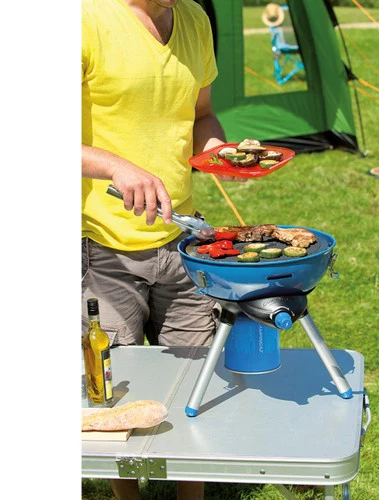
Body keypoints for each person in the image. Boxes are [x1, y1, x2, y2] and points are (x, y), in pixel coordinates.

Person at [81, 1, 245, 498]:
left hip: (182, 241)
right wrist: (115, 165)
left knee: (197, 378)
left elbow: (202, 114)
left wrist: (217, 153)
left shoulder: (194, 18)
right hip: (103, 244)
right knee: (110, 387)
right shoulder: (82, 19)